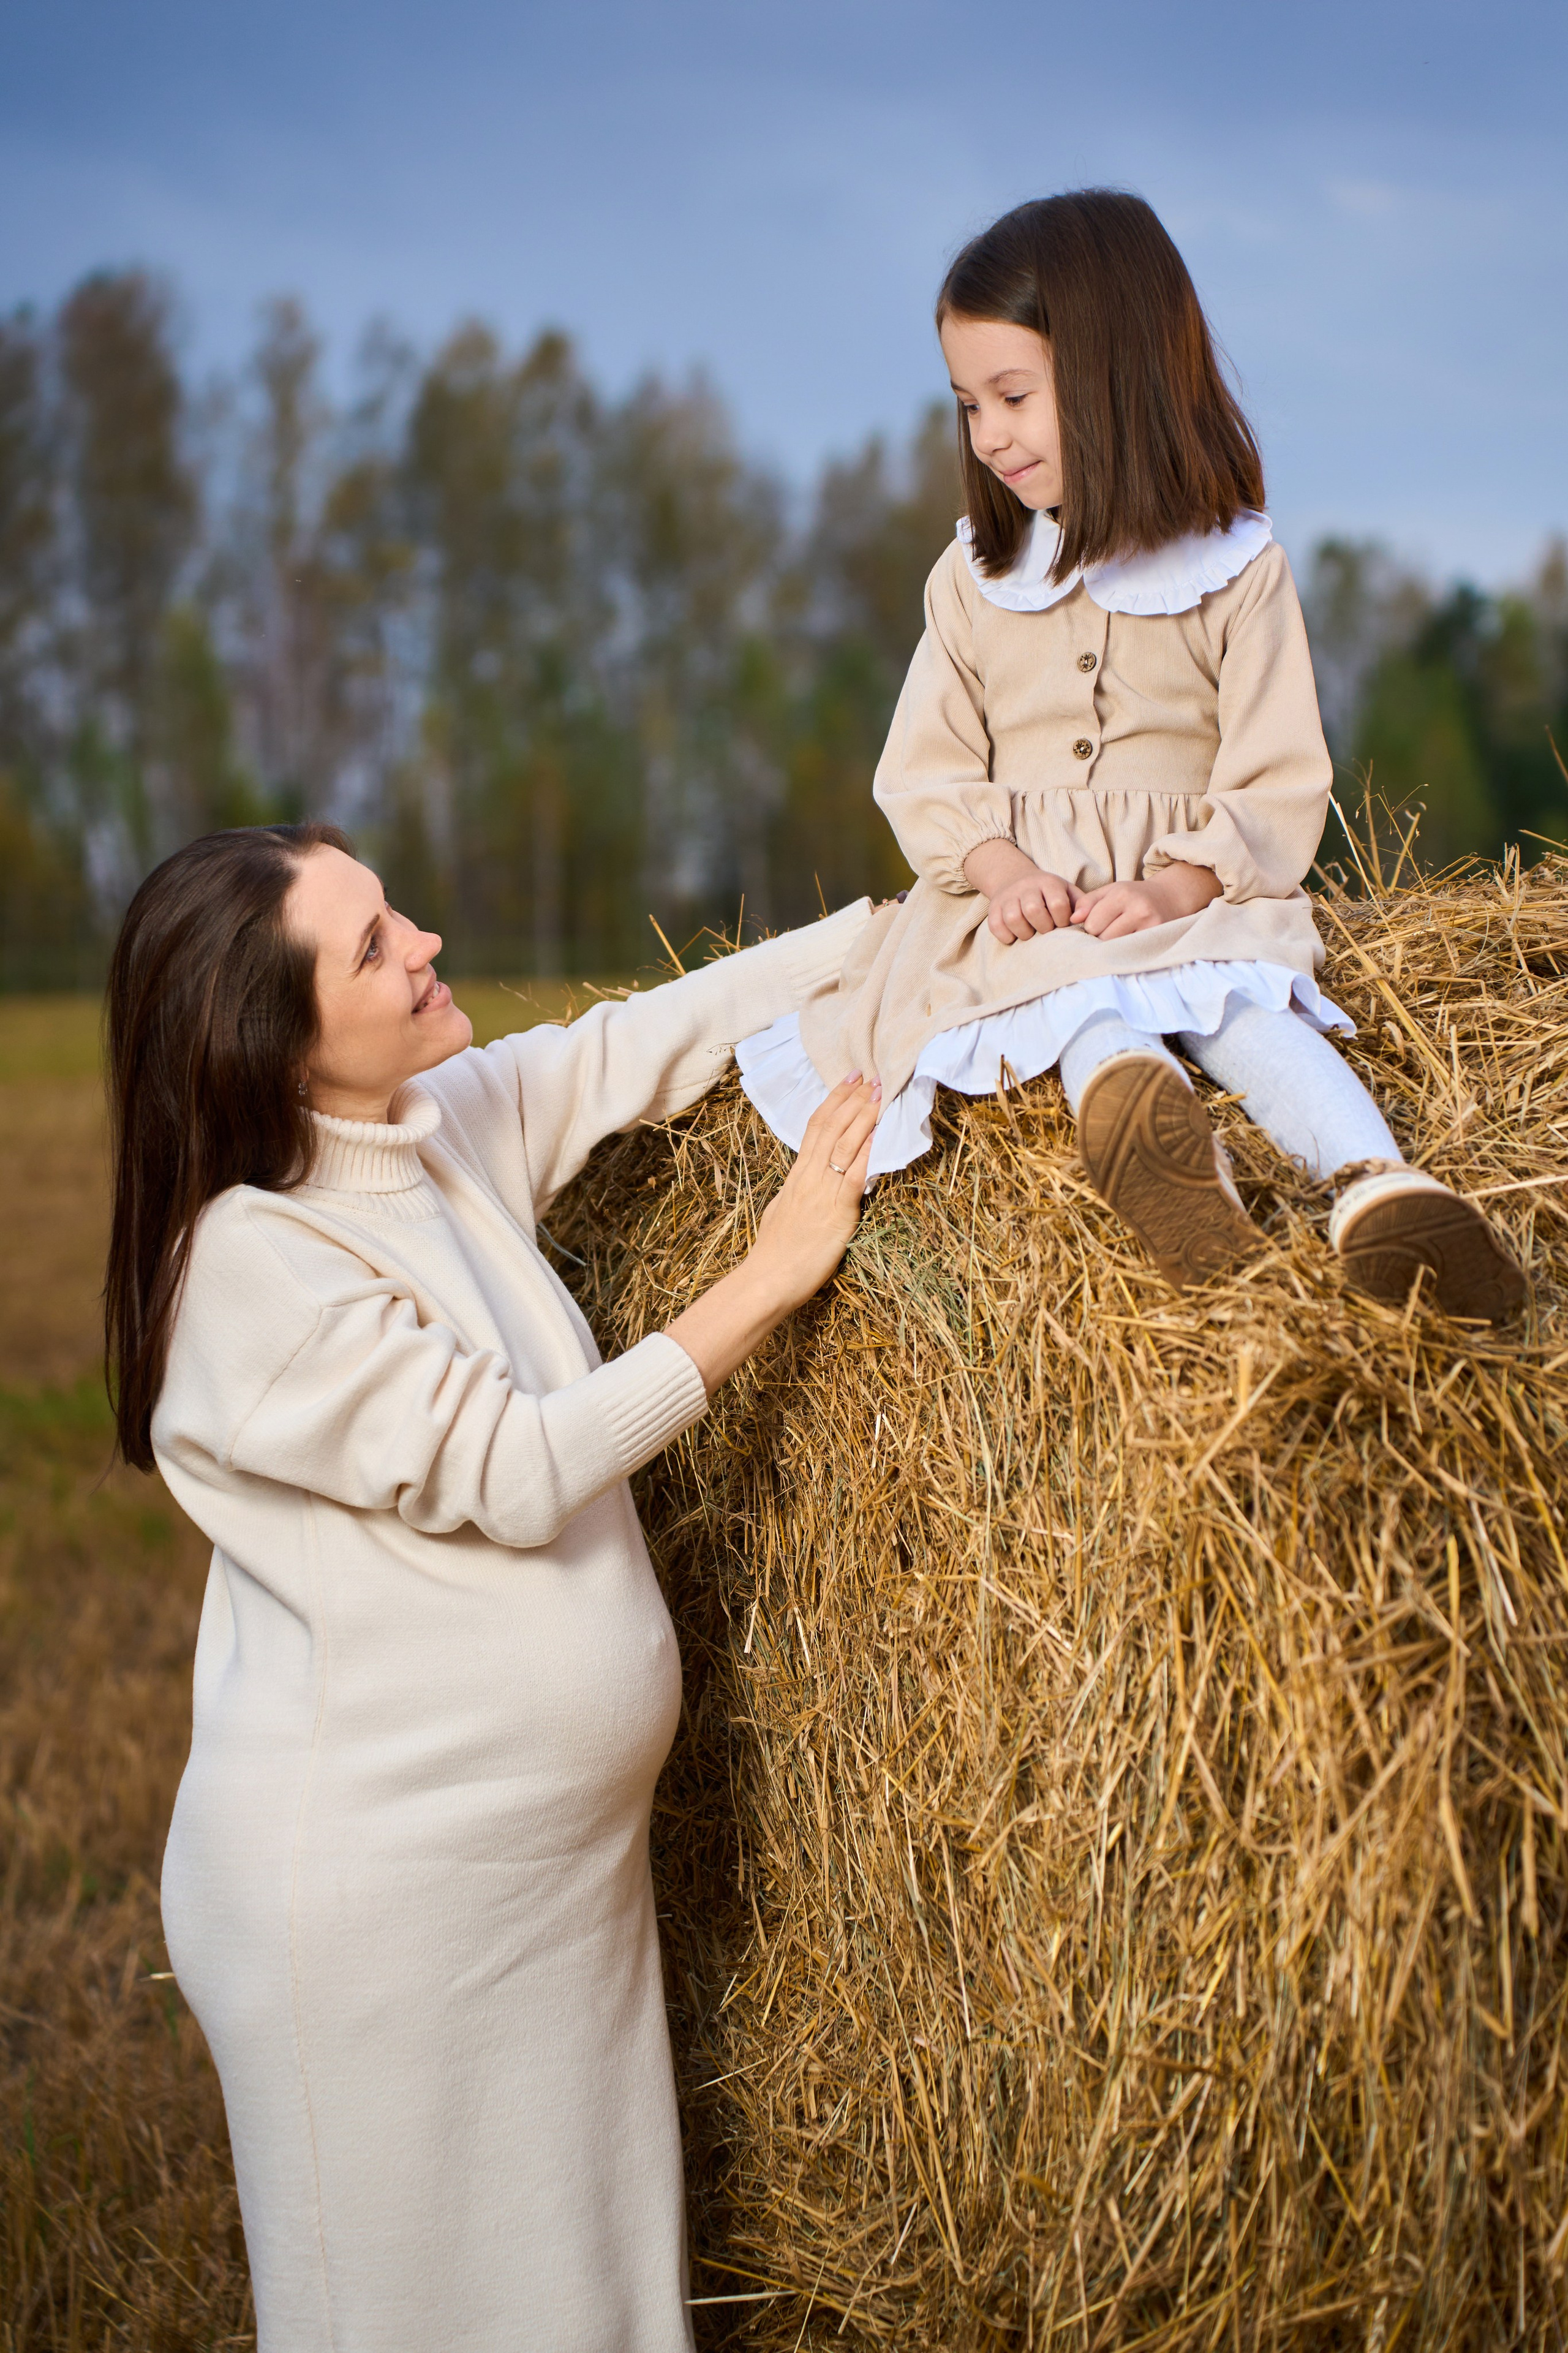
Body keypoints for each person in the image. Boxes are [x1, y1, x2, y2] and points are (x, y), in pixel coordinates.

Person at [104, 821, 879, 2353]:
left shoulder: (432, 1125)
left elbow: (635, 1043)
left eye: (394, 911)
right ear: (275, 1041)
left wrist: (899, 930)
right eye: (373, 946)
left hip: (536, 1883)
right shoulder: (251, 1269)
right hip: (383, 1915)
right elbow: (521, 1466)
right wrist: (773, 1268)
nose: (426, 944)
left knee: (580, 2295)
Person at [736, 191, 1523, 1321]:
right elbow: (926, 766)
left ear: (1119, 377)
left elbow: (1277, 772)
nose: (988, 435)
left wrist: (1178, 885)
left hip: (1187, 895)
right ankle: (1169, 1170)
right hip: (1031, 912)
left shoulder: (1236, 571)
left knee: (1244, 1011)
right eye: (968, 405)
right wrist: (1003, 872)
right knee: (1075, 1006)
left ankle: (1381, 1189)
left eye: (1014, 397)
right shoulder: (975, 580)